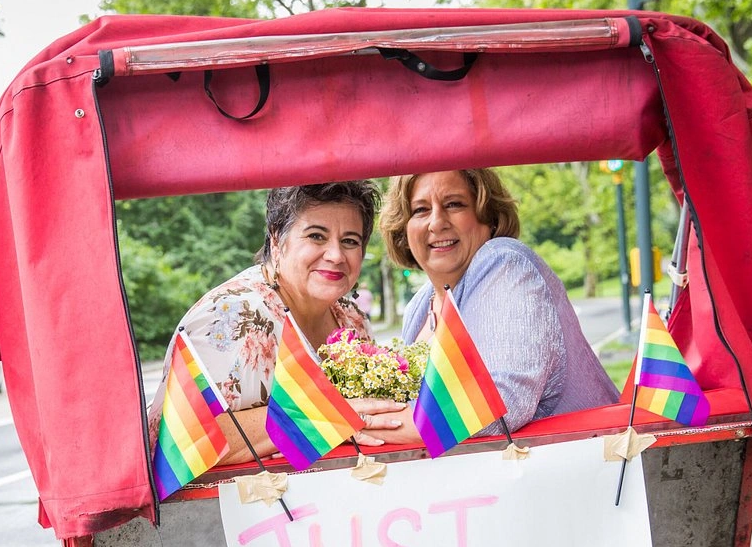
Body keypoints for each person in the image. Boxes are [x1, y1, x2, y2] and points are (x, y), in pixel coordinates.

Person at [148, 181, 405, 465]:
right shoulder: (232, 315)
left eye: (350, 241)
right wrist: (317, 417)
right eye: (317, 236)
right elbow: (169, 439)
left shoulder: (351, 318)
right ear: (276, 241)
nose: (336, 255)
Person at [367, 169, 619, 442]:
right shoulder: (419, 305)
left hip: (587, 467)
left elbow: (500, 404)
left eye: (454, 204)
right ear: (403, 229)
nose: (437, 223)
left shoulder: (504, 262)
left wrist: (360, 425)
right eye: (420, 210)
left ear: (489, 217)